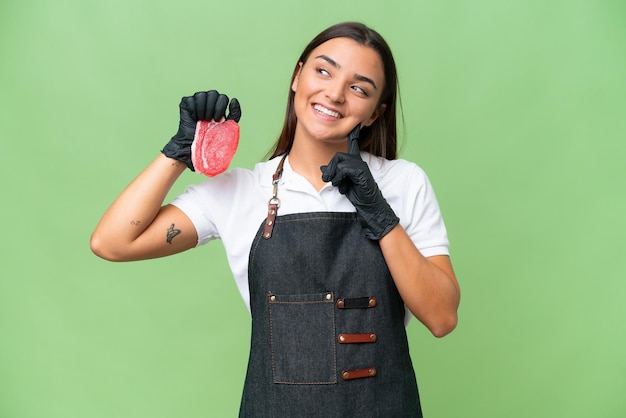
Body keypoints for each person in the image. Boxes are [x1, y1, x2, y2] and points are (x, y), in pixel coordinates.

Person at [91, 21, 460, 417]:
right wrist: (179, 153)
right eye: (323, 70)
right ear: (297, 77)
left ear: (375, 113)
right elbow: (111, 243)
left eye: (359, 88)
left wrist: (379, 213)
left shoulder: (402, 182)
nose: (334, 93)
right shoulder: (243, 191)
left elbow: (442, 317)